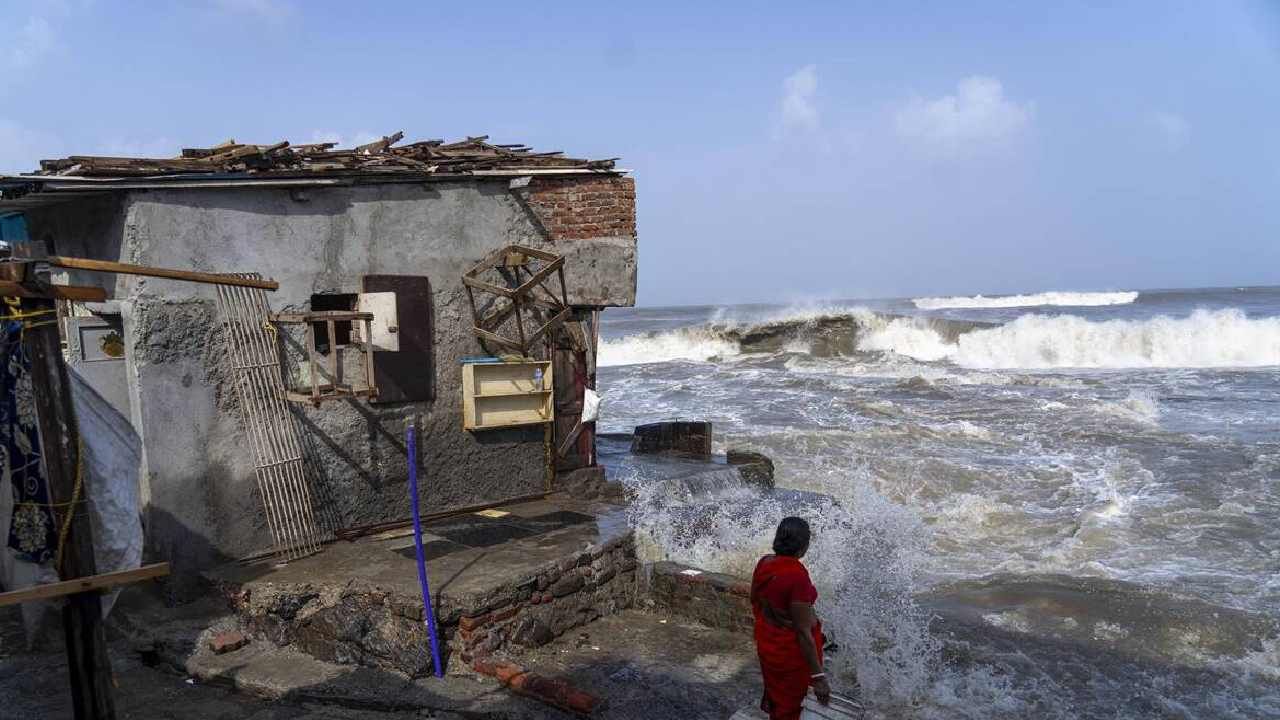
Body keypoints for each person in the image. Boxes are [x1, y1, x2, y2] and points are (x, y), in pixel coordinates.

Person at [751, 516, 831, 720]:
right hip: (790, 653)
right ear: (803, 546)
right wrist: (818, 677)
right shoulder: (796, 576)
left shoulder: (765, 562)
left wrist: (779, 619)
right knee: (791, 707)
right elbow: (803, 633)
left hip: (769, 643)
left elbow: (757, 600)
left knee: (779, 700)